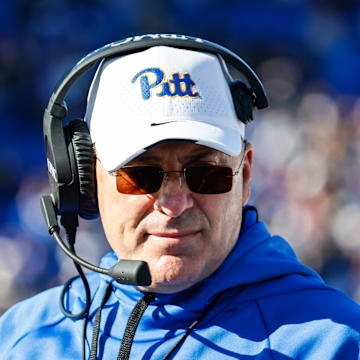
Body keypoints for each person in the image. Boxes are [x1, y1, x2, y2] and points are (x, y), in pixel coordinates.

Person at [1, 34, 360, 360]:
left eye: (205, 173)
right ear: (86, 179)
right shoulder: (23, 338)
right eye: (141, 175)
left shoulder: (333, 342)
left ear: (245, 175)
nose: (174, 204)